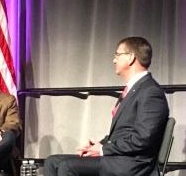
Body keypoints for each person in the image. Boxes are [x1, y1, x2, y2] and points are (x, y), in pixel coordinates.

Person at [43, 37, 169, 176]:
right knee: (52, 162)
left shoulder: (150, 91)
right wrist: (99, 144)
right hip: (117, 158)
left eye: (117, 55)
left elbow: (143, 138)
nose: (114, 60)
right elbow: (123, 134)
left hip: (132, 164)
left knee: (68, 166)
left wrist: (103, 149)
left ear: (131, 57)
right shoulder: (134, 89)